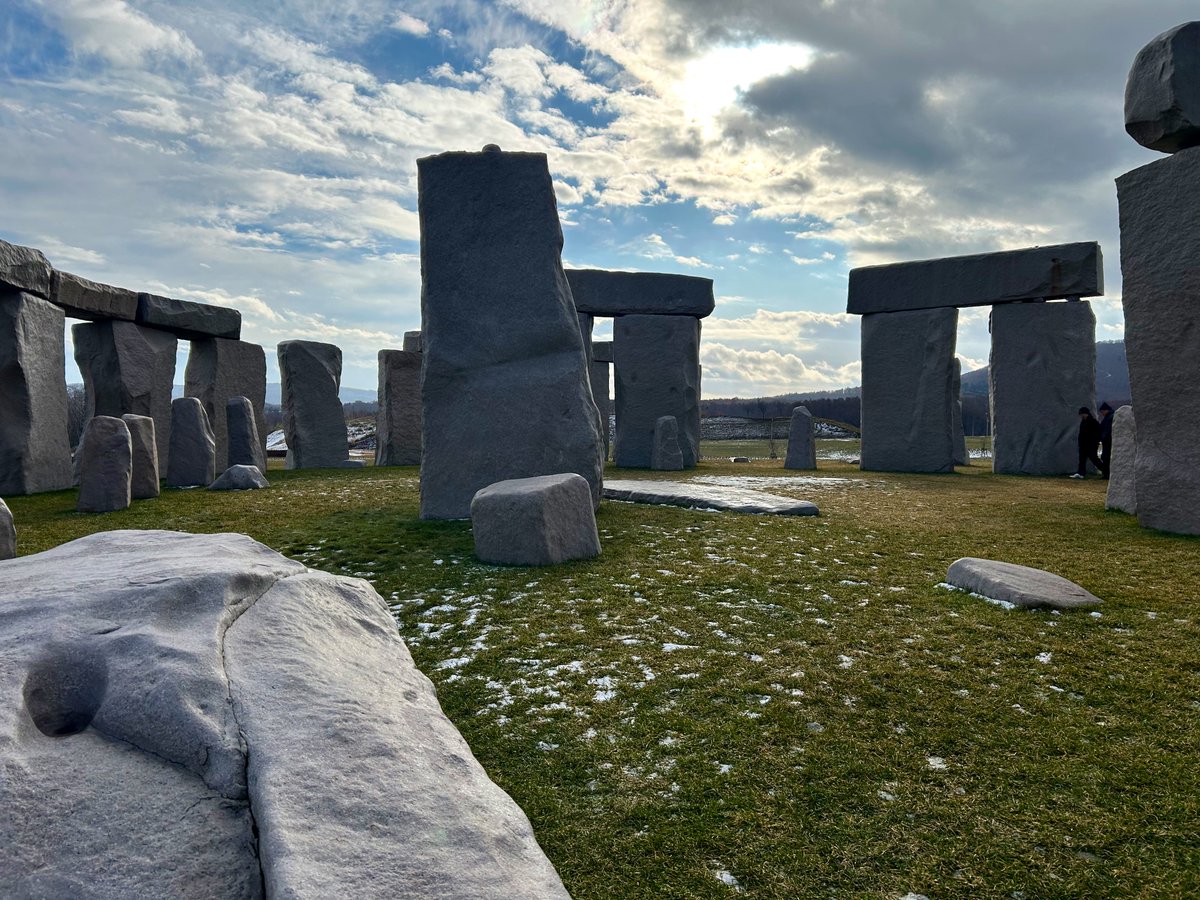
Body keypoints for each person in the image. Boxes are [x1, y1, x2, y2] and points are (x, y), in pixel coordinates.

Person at [1072, 406, 1104, 479]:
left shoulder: (1093, 422)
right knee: (1082, 460)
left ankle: (1105, 471)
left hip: (1091, 445)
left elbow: (1098, 433)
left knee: (1094, 459)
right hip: (1083, 445)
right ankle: (1081, 473)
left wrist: (1095, 442)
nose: (1081, 416)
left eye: (1081, 414)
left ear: (1085, 414)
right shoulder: (1084, 422)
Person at [1097, 402, 1114, 479]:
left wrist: (1103, 437)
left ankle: (1107, 474)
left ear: (1106, 410)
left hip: (1108, 441)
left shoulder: (1109, 418)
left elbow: (1107, 430)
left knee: (1106, 457)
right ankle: (1106, 474)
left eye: (1102, 411)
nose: (1102, 413)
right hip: (1107, 440)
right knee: (1105, 457)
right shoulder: (1109, 417)